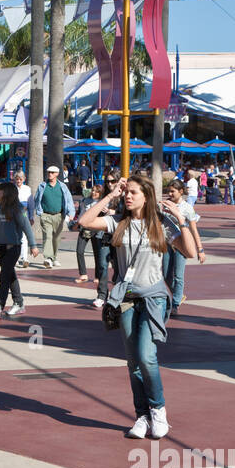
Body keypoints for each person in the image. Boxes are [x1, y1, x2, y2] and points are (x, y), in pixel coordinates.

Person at [78, 177, 198, 440]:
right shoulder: (118, 222)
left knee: (146, 356)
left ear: (146, 196)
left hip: (154, 298)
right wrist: (110, 196)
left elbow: (188, 252)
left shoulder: (160, 224)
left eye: (133, 192)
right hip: (126, 298)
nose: (128, 196)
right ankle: (141, 415)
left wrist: (181, 219)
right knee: (133, 361)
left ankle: (158, 410)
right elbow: (84, 222)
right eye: (126, 192)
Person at [0, 181, 40, 317]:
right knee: (9, 275)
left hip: (13, 248)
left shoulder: (17, 209)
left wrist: (33, 245)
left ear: (7, 193)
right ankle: (19, 302)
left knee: (4, 276)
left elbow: (27, 227)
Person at [163, 179, 205, 318]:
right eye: (168, 191)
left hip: (182, 244)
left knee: (178, 275)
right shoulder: (165, 204)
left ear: (181, 192)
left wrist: (200, 249)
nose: (169, 194)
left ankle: (175, 304)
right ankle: (178, 294)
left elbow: (194, 229)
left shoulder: (187, 208)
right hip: (167, 243)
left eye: (172, 191)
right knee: (165, 275)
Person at [33, 165, 75, 268]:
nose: (50, 174)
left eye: (52, 172)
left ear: (57, 174)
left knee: (56, 238)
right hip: (45, 215)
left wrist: (71, 213)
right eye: (49, 172)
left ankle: (54, 257)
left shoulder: (62, 186)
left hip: (59, 216)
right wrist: (39, 212)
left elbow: (69, 200)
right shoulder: (42, 186)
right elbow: (36, 199)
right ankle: (48, 258)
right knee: (48, 236)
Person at [13, 170, 32, 266]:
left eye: (20, 179)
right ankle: (15, 258)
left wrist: (31, 216)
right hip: (14, 214)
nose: (19, 181)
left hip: (24, 214)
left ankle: (25, 258)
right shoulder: (12, 189)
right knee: (16, 237)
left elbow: (30, 203)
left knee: (24, 237)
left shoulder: (27, 189)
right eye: (17, 179)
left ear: (24, 179)